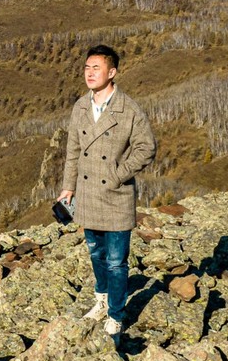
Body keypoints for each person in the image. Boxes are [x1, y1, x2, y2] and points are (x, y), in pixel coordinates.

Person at [56, 44, 156, 341]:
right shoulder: (80, 107)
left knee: (116, 260)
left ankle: (116, 314)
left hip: (115, 196)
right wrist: (68, 188)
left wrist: (117, 175)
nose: (89, 73)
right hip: (86, 193)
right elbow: (72, 150)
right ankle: (100, 299)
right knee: (95, 252)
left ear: (112, 72)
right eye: (87, 67)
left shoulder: (129, 109)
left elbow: (146, 148)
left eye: (96, 68)